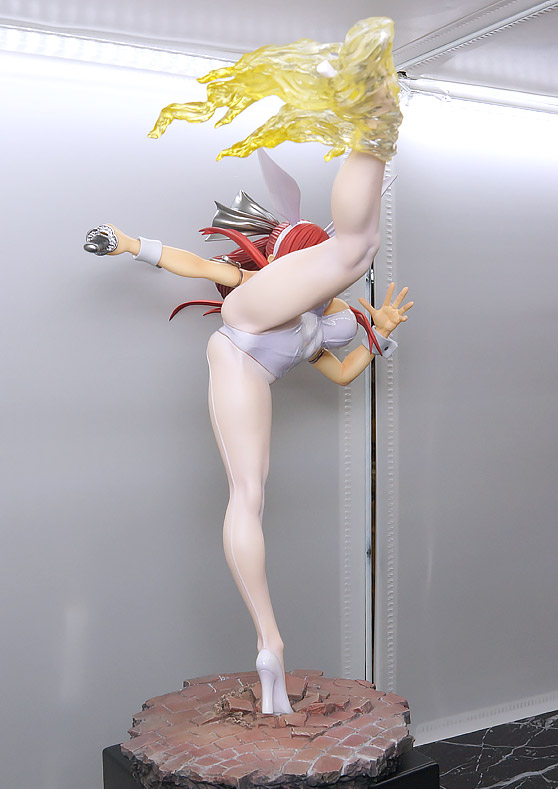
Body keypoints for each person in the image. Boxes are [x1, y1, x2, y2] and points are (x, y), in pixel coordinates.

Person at [84, 17, 413, 715]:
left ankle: (269, 643)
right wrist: (132, 244)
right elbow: (198, 266)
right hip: (241, 332)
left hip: (252, 367)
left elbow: (343, 375)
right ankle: (372, 126)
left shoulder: (323, 323)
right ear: (295, 257)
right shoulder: (276, 285)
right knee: (356, 248)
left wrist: (378, 337)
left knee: (249, 497)